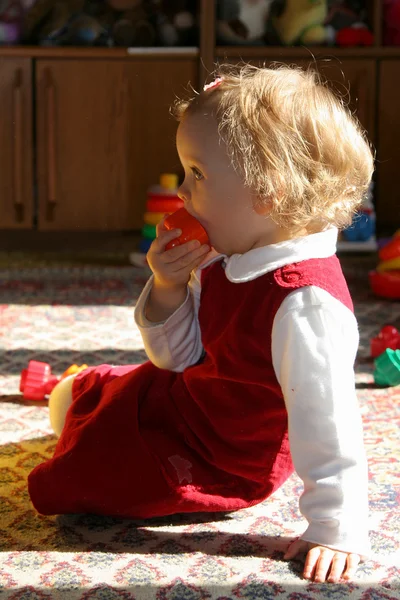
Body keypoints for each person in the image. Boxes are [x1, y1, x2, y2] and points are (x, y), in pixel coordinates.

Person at [28, 62, 374, 584]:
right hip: (190, 399)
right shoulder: (230, 251)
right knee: (120, 395)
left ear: (268, 191)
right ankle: (82, 396)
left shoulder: (306, 305)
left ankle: (82, 412)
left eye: (198, 173)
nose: (183, 193)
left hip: (223, 456)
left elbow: (330, 427)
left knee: (89, 476)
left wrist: (335, 524)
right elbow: (177, 357)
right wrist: (168, 287)